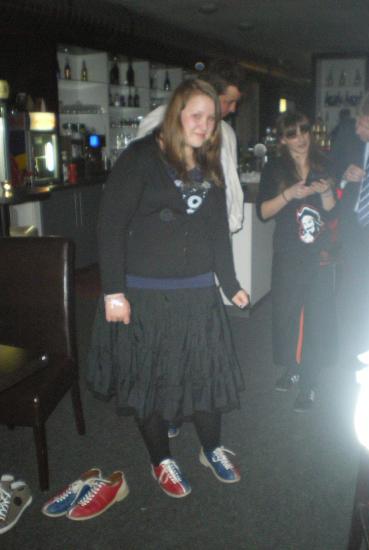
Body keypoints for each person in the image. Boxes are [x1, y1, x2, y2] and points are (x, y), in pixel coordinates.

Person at [88, 79, 249, 499]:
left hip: (197, 293)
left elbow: (217, 231)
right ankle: (161, 459)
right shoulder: (142, 157)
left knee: (205, 376)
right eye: (197, 115)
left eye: (211, 118)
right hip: (146, 294)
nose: (205, 125)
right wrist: (113, 292)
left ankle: (211, 448)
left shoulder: (209, 163)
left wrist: (230, 284)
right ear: (177, 114)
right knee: (150, 380)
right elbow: (110, 224)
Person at [256, 111, 337, 412]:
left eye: (304, 130)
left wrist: (327, 191)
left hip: (317, 253)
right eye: (292, 133)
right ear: (282, 139)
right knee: (286, 314)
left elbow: (331, 212)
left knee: (316, 316)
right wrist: (289, 194)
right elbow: (263, 212)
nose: (300, 137)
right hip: (288, 252)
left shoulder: (324, 164)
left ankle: (310, 381)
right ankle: (291, 366)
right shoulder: (275, 168)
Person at [137, 59, 245, 234]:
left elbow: (230, 186)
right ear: (210, 93)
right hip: (167, 231)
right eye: (229, 101)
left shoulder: (226, 132)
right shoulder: (159, 120)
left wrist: (228, 227)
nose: (233, 109)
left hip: (213, 231)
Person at [330, 89, 369, 367]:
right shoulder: (346, 134)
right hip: (354, 224)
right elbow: (330, 168)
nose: (359, 130)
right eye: (358, 122)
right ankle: (350, 346)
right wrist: (343, 175)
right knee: (352, 287)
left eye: (367, 126)